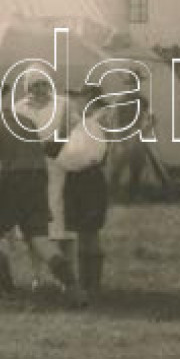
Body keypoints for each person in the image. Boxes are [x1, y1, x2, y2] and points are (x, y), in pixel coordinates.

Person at [0, 73, 72, 298]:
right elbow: (40, 157)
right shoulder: (26, 121)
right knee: (40, 239)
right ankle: (74, 288)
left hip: (12, 184)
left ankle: (9, 292)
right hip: (37, 182)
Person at [55, 84, 113, 305]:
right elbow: (63, 154)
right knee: (81, 232)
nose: (77, 103)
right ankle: (84, 282)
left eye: (82, 98)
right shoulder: (75, 126)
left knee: (90, 233)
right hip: (75, 181)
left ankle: (93, 284)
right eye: (74, 99)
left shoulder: (95, 125)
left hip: (90, 180)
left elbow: (84, 156)